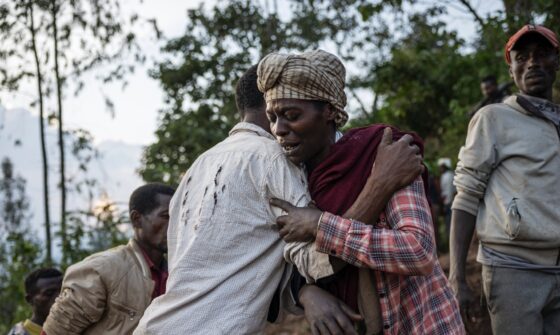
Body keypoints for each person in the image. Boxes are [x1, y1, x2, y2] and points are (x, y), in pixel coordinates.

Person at [133, 65, 422, 334]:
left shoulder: (197, 167)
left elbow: (238, 264)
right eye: (278, 116)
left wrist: (303, 292)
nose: (282, 128)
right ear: (272, 101)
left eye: (292, 116)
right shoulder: (274, 160)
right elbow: (318, 262)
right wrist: (379, 186)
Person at [258, 49, 465, 334]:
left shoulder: (383, 152)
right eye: (272, 117)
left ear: (329, 111)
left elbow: (418, 250)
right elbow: (290, 260)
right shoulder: (287, 179)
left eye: (292, 115)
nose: (279, 129)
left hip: (419, 323)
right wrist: (305, 293)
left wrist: (318, 225)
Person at [449, 24, 560, 334]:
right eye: (522, 57)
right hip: (512, 273)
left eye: (542, 54)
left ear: (556, 62)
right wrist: (456, 277)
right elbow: (466, 196)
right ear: (511, 70)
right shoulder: (493, 119)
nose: (532, 62)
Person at [43, 183, 175, 335]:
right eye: (166, 216)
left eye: (178, 216)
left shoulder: (178, 273)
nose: (175, 224)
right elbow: (54, 332)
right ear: (137, 219)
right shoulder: (102, 269)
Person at [7, 268, 62, 335]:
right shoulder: (18, 333)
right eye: (49, 293)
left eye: (63, 292)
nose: (59, 297)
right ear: (29, 299)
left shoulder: (72, 329)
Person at [438, 157, 455, 237]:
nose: (440, 169)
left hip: (447, 203)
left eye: (441, 167)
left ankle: (449, 241)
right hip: (453, 202)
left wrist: (443, 203)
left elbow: (444, 191)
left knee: (448, 223)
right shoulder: (452, 175)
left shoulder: (444, 176)